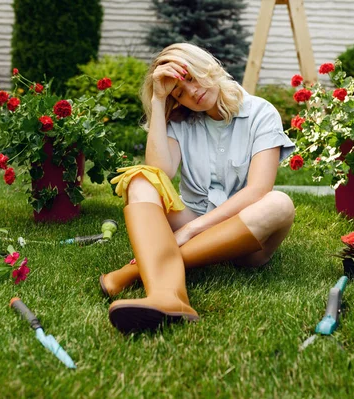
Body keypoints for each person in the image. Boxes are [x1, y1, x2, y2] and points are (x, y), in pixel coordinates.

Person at [103, 43, 296, 334]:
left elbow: (258, 190)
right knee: (141, 178)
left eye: (191, 78)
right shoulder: (180, 120)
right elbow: (159, 173)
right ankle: (168, 295)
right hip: (192, 214)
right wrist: (158, 100)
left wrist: (190, 231)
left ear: (208, 66)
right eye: (179, 92)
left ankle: (137, 270)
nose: (191, 93)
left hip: (245, 234)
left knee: (279, 203)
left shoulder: (260, 112)